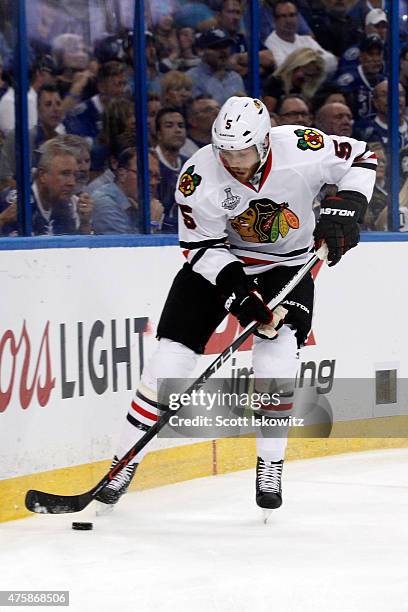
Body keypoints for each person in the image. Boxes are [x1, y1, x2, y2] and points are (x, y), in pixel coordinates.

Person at [95, 96, 376, 512]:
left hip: (287, 264)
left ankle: (270, 464)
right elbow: (200, 246)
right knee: (168, 362)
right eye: (225, 152)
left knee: (276, 359)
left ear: (263, 144)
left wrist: (347, 207)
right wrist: (237, 294)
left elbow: (362, 156)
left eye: (242, 152)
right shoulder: (197, 175)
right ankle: (124, 463)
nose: (233, 161)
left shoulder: (301, 147)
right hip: (219, 262)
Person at [264, 1, 337, 78]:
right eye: (283, 16)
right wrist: (315, 58)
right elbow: (285, 70)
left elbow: (332, 62)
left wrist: (299, 63)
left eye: (292, 15)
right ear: (275, 21)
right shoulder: (270, 43)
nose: (289, 20)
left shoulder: (307, 40)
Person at [187, 28, 246, 105]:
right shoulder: (191, 78)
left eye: (226, 46)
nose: (223, 51)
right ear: (201, 51)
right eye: (216, 47)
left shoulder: (235, 77)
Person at [262, 47, 325, 113]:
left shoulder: (310, 91)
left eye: (312, 76)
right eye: (305, 73)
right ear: (293, 67)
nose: (307, 79)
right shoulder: (275, 83)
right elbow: (269, 114)